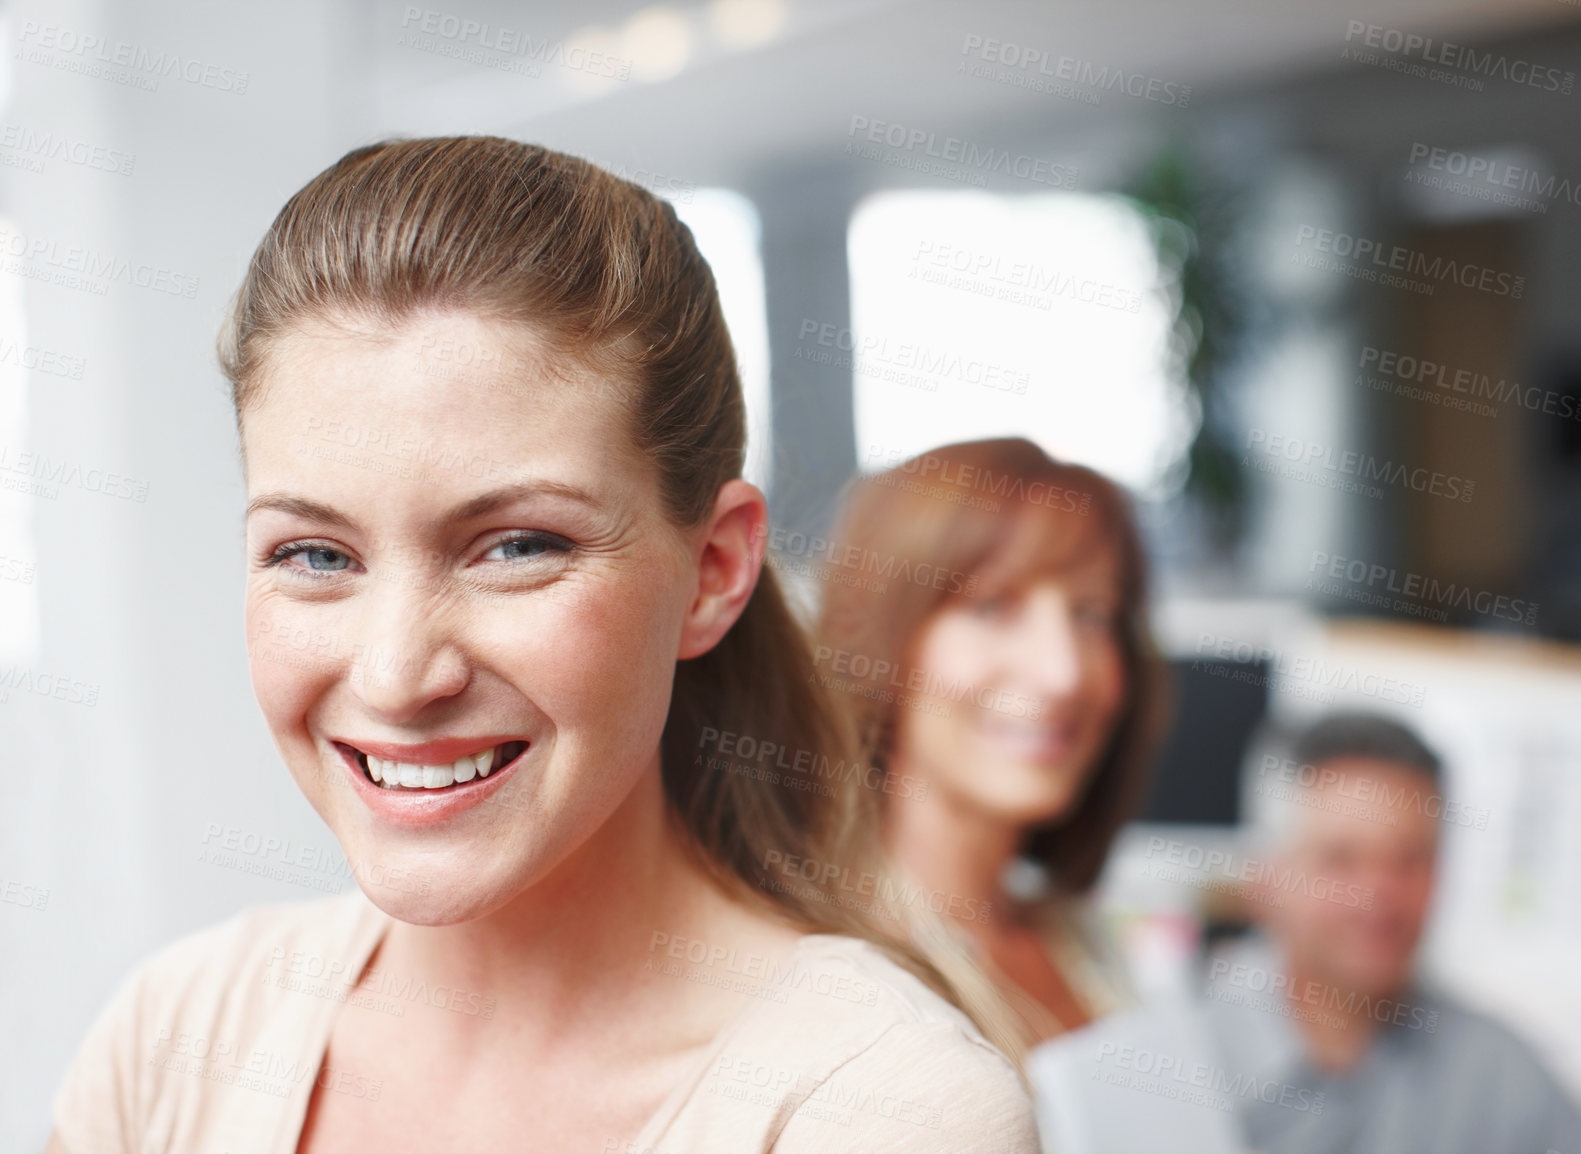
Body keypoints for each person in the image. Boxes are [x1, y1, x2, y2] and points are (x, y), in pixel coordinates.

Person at [45, 137, 1037, 1153]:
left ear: (714, 572)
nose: (395, 673)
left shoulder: (883, 1111)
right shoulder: (172, 1039)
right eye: (315, 553)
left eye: (518, 545)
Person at [811, 438, 1169, 1048]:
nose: (1064, 673)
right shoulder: (832, 974)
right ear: (880, 640)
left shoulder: (1074, 934)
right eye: (993, 606)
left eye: (1092, 614)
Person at [1200, 711, 1581, 1154]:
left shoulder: (1500, 1072)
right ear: (1266, 878)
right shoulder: (1172, 1063)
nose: (1378, 895)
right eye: (1340, 859)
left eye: (1410, 859)